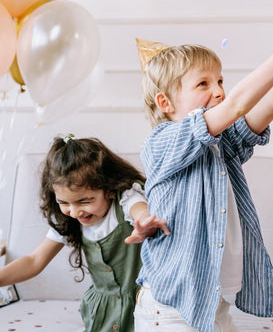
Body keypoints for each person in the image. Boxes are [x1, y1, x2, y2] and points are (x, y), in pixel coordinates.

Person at [134, 7, 273, 332]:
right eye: (203, 83)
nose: (218, 90)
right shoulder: (161, 144)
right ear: (166, 103)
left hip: (215, 307)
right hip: (173, 311)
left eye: (219, 80)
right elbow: (235, 105)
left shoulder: (220, 146)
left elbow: (265, 107)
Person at [0, 135, 170, 332]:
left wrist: (144, 221)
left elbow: (140, 210)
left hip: (142, 305)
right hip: (102, 312)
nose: (74, 212)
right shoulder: (67, 220)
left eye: (84, 201)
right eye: (64, 203)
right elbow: (34, 260)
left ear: (108, 189)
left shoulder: (125, 198)